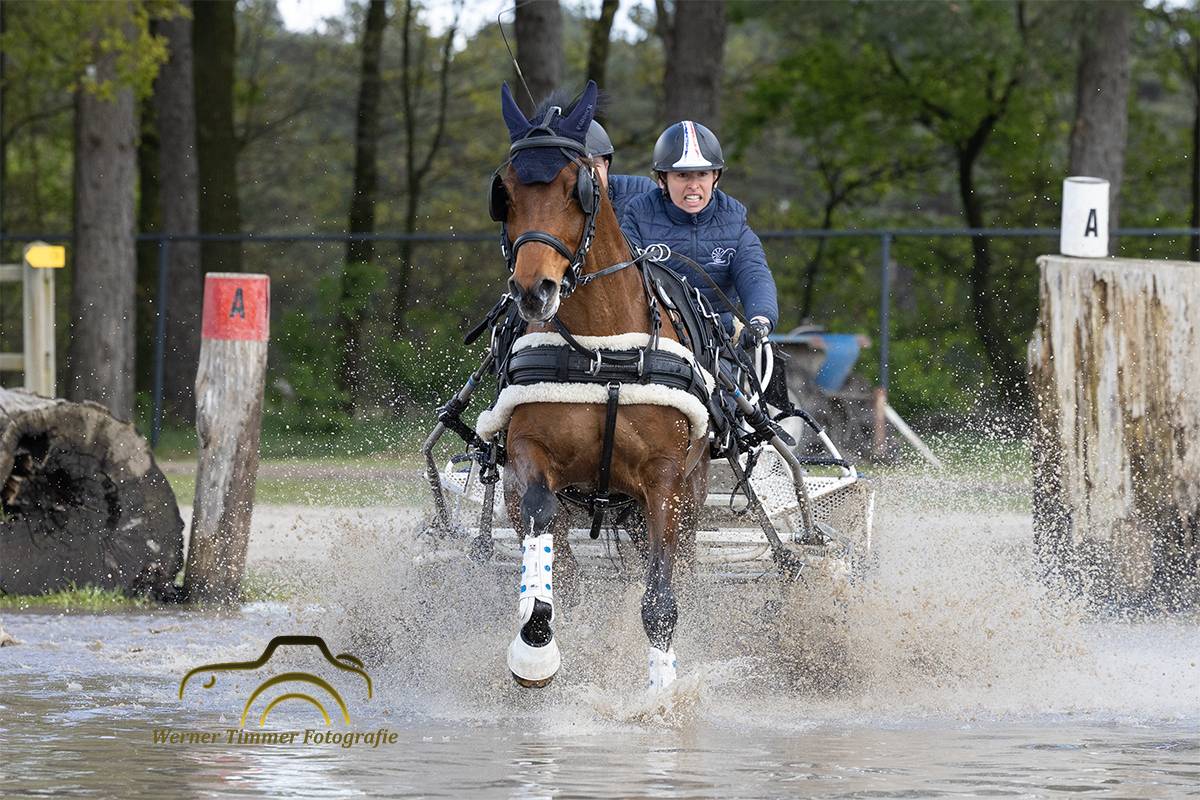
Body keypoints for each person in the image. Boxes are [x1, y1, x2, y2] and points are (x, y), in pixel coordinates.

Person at [619, 120, 778, 351]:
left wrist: (760, 319)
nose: (693, 185)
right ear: (662, 179)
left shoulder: (733, 219)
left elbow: (754, 273)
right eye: (682, 175)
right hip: (656, 342)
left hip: (719, 342)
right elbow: (623, 281)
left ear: (715, 177)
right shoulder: (638, 215)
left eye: (702, 174)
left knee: (769, 366)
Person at [586, 120, 656, 221]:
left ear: (606, 166)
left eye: (595, 167)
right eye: (580, 170)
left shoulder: (642, 193)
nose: (589, 176)